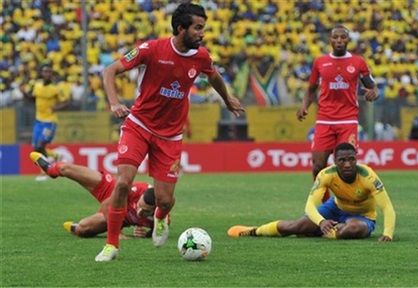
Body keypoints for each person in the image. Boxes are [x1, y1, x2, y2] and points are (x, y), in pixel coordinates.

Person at [97, 3, 245, 261]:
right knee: (122, 183)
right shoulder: (151, 49)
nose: (202, 33)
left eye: (204, 28)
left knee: (165, 199)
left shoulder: (201, 57)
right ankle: (111, 245)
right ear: (181, 28)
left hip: (170, 136)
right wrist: (115, 103)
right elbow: (110, 70)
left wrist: (227, 98)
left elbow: (214, 76)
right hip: (139, 125)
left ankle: (161, 216)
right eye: (198, 28)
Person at [228, 143, 396, 242]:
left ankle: (318, 231)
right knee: (296, 227)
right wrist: (322, 221)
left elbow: (387, 207)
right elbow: (310, 205)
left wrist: (387, 233)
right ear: (335, 161)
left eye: (351, 159)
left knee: (352, 230)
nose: (347, 164)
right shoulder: (326, 175)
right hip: (334, 209)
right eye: (342, 160)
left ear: (356, 159)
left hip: (362, 216)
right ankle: (254, 230)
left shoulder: (368, 176)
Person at [296, 25, 379, 203]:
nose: (339, 40)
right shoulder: (320, 62)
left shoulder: (358, 62)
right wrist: (305, 106)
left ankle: (348, 203)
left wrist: (374, 92)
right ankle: (326, 205)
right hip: (324, 120)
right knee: (317, 165)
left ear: (348, 40)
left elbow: (372, 85)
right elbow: (311, 89)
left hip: (348, 120)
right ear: (330, 40)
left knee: (346, 165)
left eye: (343, 37)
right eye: (336, 37)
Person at [30, 152, 161, 239]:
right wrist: (116, 233)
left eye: (144, 212)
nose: (139, 211)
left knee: (83, 229)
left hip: (119, 217)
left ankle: (74, 226)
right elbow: (106, 204)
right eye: (139, 206)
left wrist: (145, 234)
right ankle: (50, 170)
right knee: (66, 169)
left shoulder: (160, 218)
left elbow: (156, 233)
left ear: (155, 209)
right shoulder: (138, 189)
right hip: (111, 190)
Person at [23, 64, 70, 181]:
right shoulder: (37, 85)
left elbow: (66, 102)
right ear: (42, 73)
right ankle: (56, 156)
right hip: (38, 119)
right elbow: (33, 98)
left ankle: (45, 172)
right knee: (35, 148)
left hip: (50, 120)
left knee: (40, 145)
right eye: (45, 72)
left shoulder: (56, 88)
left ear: (52, 74)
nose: (47, 74)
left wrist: (56, 108)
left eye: (49, 72)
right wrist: (24, 93)